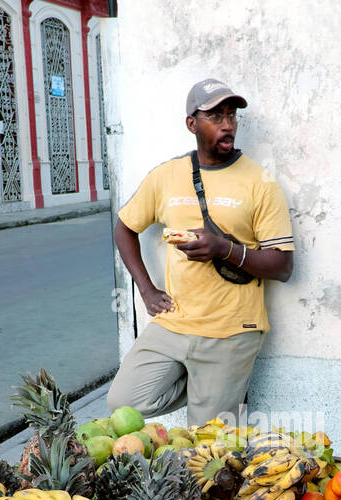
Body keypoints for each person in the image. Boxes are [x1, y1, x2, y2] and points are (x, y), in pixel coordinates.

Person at [106, 78, 294, 426]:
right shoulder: (166, 175)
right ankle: (205, 386)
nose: (227, 124)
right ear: (192, 123)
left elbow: (282, 265)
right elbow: (124, 227)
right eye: (215, 116)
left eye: (232, 116)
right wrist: (147, 290)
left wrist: (223, 249)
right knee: (123, 402)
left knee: (207, 445)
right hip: (174, 322)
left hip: (232, 329)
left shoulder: (259, 182)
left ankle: (219, 386)